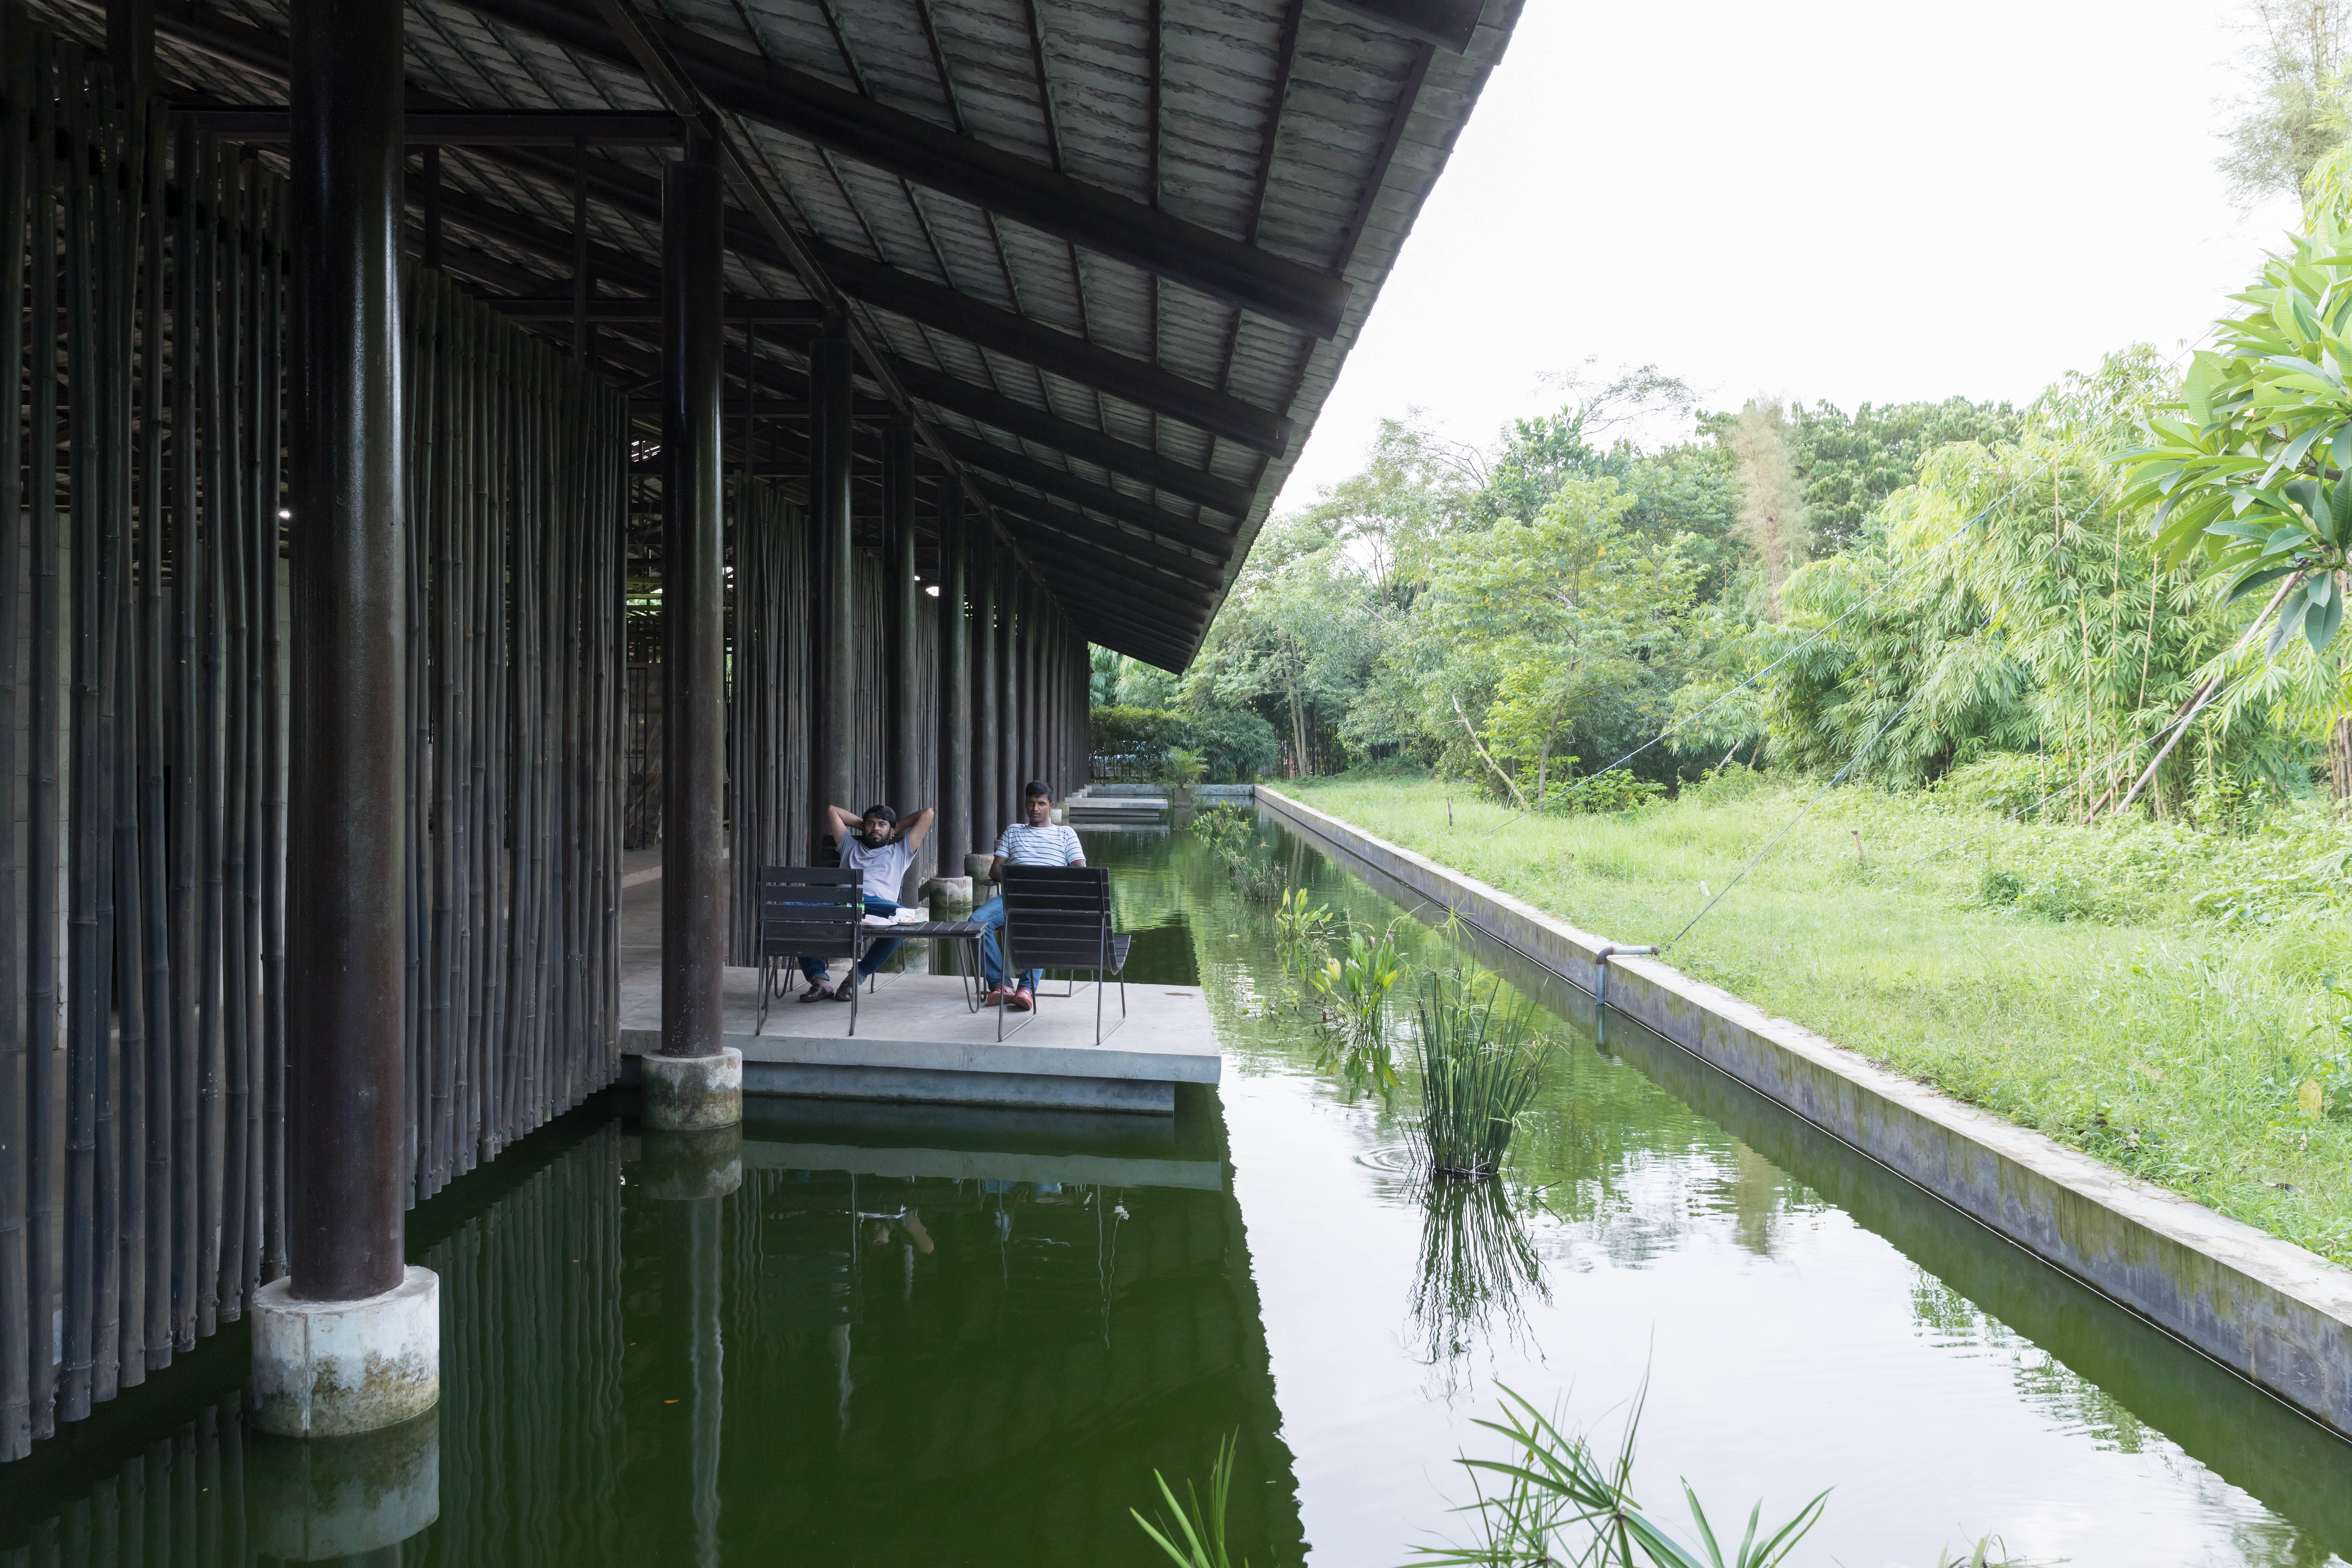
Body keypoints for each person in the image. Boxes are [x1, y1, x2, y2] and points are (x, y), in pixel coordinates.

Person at [799, 802, 934, 1001]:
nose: (876, 828)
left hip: (878, 908)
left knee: (905, 921)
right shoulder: (849, 845)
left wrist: (895, 825)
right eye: (871, 824)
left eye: (882, 825)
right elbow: (832, 811)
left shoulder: (901, 851)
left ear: (891, 829)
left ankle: (856, 977)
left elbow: (928, 814)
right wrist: (866, 824)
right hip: (842, 904)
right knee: (790, 913)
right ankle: (820, 981)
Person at [973, 780, 1084, 1011]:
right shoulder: (1014, 831)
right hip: (1012, 897)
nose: (1035, 809)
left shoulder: (1066, 834)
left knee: (1042, 923)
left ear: (1051, 806)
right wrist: (1019, 881)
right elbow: (995, 870)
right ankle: (1001, 986)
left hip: (1048, 902)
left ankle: (1026, 989)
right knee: (975, 923)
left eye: (1041, 804)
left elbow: (1080, 873)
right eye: (1031, 803)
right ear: (1025, 804)